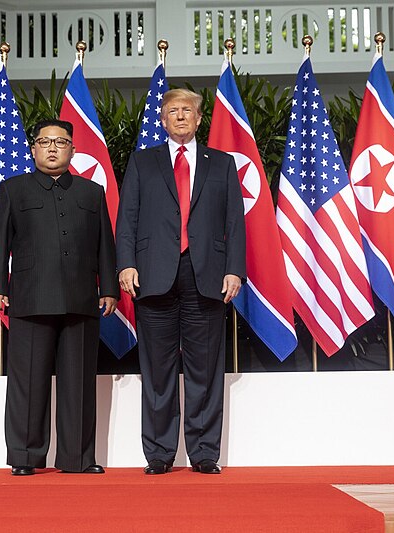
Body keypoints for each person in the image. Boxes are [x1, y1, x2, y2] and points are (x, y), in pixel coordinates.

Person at [116, 88, 246, 475]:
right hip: (153, 275)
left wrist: (234, 269)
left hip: (206, 275)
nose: (180, 117)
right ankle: (159, 453)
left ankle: (205, 452)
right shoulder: (143, 162)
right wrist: (126, 264)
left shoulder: (221, 164)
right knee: (157, 370)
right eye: (172, 111)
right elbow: (127, 219)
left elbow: (235, 223)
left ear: (199, 118)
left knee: (205, 368)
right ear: (162, 119)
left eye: (187, 110)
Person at [0, 119, 118, 475]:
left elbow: (105, 243)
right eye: (45, 142)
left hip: (81, 299)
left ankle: (77, 457)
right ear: (34, 149)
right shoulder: (14, 189)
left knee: (78, 382)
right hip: (29, 298)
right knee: (27, 381)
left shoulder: (91, 192)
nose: (53, 148)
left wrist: (109, 288)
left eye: (61, 142)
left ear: (73, 150)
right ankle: (25, 457)